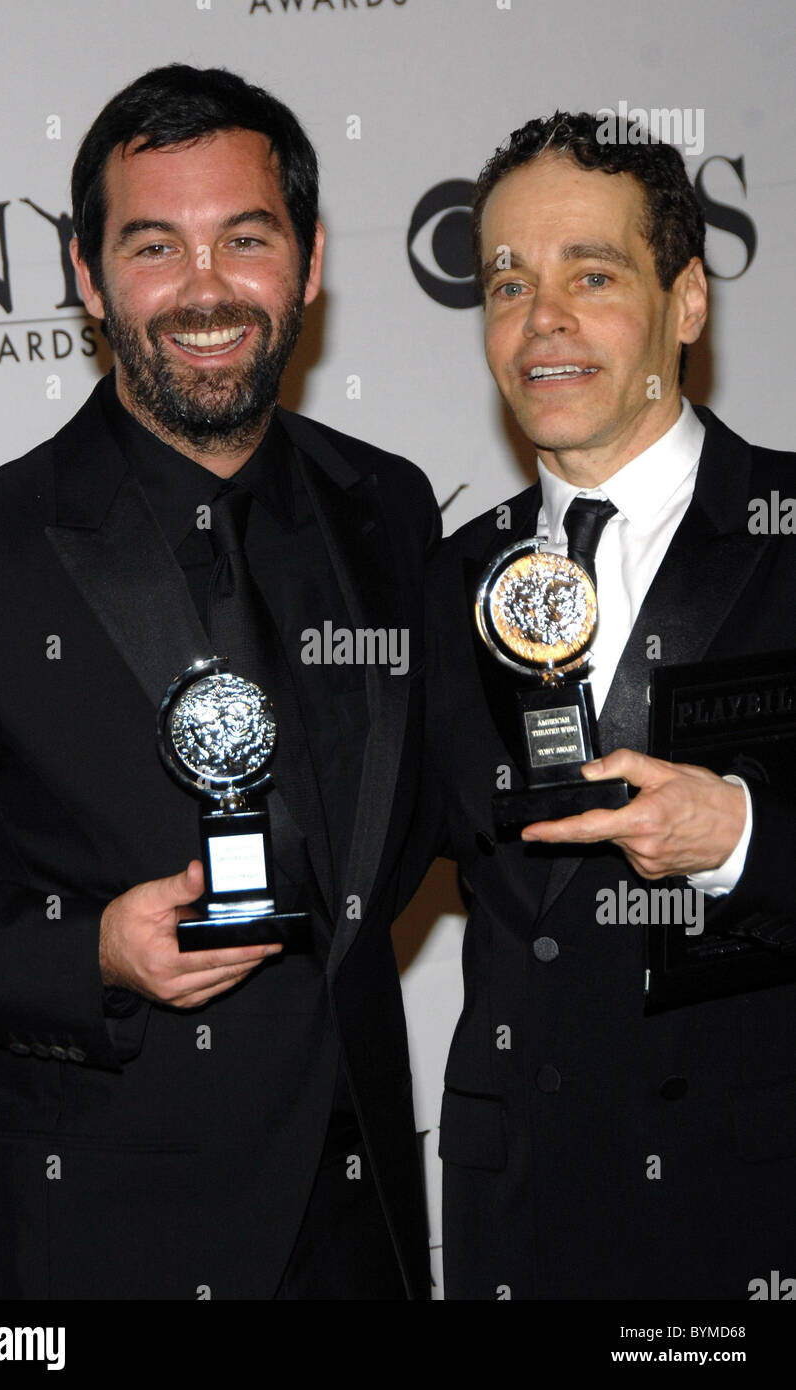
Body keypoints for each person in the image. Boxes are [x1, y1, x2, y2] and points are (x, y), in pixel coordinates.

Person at [0, 64, 439, 1300]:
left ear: (309, 261)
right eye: (156, 246)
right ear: (90, 281)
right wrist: (85, 948)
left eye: (245, 239)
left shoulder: (393, 508)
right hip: (99, 1240)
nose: (206, 290)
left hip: (361, 1224)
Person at [410, 111, 796, 1299]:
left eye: (593, 272)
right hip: (516, 1214)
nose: (543, 321)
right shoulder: (443, 575)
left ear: (687, 301)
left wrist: (737, 836)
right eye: (510, 281)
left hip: (746, 1205)